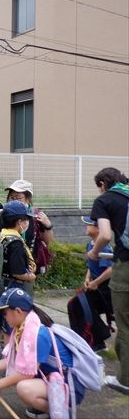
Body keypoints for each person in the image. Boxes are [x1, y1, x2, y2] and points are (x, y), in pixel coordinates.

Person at [0, 287, 86, 419]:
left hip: (70, 385)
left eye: (5, 313)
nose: (3, 317)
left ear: (18, 311)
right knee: (22, 384)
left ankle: (59, 410)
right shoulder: (24, 327)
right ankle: (48, 403)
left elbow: (26, 374)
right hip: (54, 377)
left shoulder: (37, 334)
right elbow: (13, 359)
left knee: (24, 388)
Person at [88, 167, 129, 395]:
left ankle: (125, 379)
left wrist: (94, 252)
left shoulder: (105, 200)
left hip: (126, 265)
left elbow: (104, 234)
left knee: (125, 324)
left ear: (103, 183)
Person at [0, 201, 36, 364]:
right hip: (11, 287)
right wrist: (29, 277)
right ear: (19, 222)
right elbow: (18, 272)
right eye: (25, 220)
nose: (27, 223)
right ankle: (9, 359)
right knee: (10, 324)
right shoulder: (15, 243)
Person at [68, 216, 114, 352]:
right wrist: (88, 278)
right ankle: (88, 340)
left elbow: (111, 269)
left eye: (89, 224)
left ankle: (96, 340)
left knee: (77, 305)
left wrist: (95, 282)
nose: (86, 226)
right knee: (76, 305)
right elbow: (91, 265)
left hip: (105, 288)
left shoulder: (104, 247)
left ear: (98, 228)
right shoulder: (90, 244)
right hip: (94, 285)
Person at [0, 180, 54, 275]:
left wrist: (48, 225)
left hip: (30, 265)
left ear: (28, 199)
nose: (14, 201)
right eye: (12, 198)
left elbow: (49, 242)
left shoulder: (35, 215)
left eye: (18, 198)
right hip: (8, 266)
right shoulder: (4, 214)